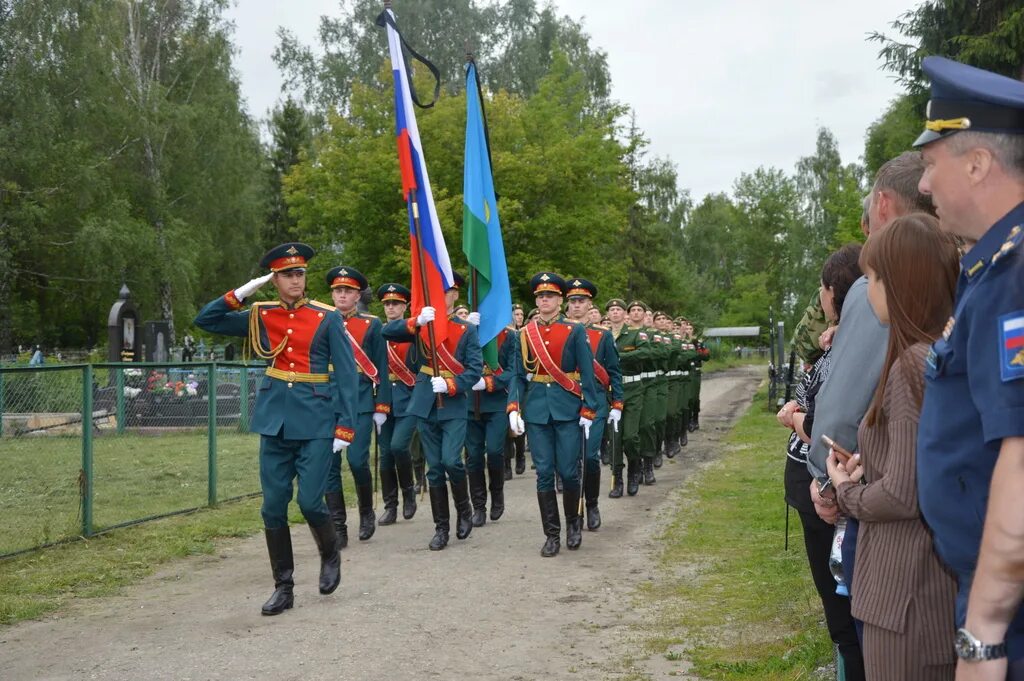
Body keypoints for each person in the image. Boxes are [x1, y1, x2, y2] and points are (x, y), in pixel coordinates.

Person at [910, 57, 1024, 678]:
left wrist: (983, 635)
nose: (924, 187)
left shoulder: (1016, 273)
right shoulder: (991, 269)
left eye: (931, 165)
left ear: (977, 163)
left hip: (1008, 611)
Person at [824, 215, 959, 678]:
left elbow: (903, 493)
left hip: (904, 593)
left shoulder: (910, 367)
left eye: (873, 277)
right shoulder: (934, 352)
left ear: (899, 283)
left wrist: (845, 489)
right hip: (920, 590)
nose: (868, 289)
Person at [194, 242, 357, 615]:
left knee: (309, 501)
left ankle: (330, 553)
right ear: (275, 280)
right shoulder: (260, 314)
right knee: (272, 508)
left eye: (299, 273)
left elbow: (347, 375)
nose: (296, 280)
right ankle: (283, 587)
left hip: (316, 421)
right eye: (287, 275)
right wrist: (241, 293)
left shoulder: (326, 317)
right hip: (275, 420)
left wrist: (345, 425)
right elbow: (206, 320)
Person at [808, 150, 934, 629]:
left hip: (882, 504)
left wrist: (827, 480)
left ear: (882, 205)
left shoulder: (875, 287)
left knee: (873, 641)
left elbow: (840, 410)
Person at [777, 244, 866, 679]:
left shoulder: (851, 342)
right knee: (843, 620)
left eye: (824, 289)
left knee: (846, 618)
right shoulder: (839, 337)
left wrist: (795, 419)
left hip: (830, 490)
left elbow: (835, 423)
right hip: (817, 485)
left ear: (835, 292)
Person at [382, 271, 482, 551]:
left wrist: (450, 384)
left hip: (452, 402)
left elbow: (474, 371)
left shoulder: (466, 330)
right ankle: (441, 528)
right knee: (434, 469)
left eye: (448, 290)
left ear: (456, 294)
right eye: (439, 290)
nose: (443, 295)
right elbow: (386, 331)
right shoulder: (423, 324)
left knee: (452, 461)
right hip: (425, 400)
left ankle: (464, 509)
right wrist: (415, 321)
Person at [507, 272, 599, 556]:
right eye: (539, 296)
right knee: (544, 473)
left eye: (549, 296)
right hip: (536, 411)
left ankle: (573, 522)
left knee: (570, 472)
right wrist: (513, 406)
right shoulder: (524, 334)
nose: (544, 300)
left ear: (560, 300)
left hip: (568, 408)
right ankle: (552, 534)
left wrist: (589, 407)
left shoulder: (574, 331)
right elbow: (518, 375)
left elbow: (587, 372)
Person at [325, 266, 391, 545]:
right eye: (338, 290)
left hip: (361, 400)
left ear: (356, 296)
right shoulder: (322, 320)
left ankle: (365, 511)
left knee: (356, 460)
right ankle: (338, 525)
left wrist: (382, 405)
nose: (342, 295)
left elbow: (382, 367)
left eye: (348, 291)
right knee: (329, 464)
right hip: (326, 400)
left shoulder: (371, 324)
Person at [564, 278, 622, 530]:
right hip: (567, 400)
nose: (577, 306)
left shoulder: (603, 336)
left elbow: (614, 371)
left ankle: (591, 504)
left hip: (596, 401)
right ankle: (573, 511)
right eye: (573, 301)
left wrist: (617, 402)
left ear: (590, 305)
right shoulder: (561, 331)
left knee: (589, 456)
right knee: (570, 459)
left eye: (582, 301)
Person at [464, 303, 518, 526]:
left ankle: (497, 494)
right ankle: (478, 506)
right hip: (469, 404)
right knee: (473, 456)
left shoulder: (510, 337)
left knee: (495, 452)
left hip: (496, 403)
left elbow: (513, 370)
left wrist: (488, 382)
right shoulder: (467, 333)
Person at [375, 283, 418, 526]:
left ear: (405, 307)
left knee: (399, 447)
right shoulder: (378, 333)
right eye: (387, 304)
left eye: (396, 303)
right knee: (385, 455)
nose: (391, 307)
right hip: (383, 400)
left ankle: (409, 491)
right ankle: (390, 506)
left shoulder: (413, 331)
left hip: (409, 398)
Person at [606, 299, 651, 497]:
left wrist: (619, 357)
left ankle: (634, 467)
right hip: (610, 390)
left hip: (632, 388)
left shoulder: (634, 334)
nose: (615, 313)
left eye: (619, 310)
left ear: (625, 314)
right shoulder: (603, 335)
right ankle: (617, 479)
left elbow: (646, 351)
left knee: (630, 436)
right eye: (611, 310)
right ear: (607, 314)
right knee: (615, 439)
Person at [504, 303, 528, 479]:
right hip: (502, 383)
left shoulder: (524, 334)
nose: (519, 317)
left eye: (521, 314)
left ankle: (520, 455)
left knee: (518, 424)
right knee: (504, 428)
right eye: (516, 314)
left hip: (520, 384)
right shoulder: (505, 334)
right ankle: (506, 465)